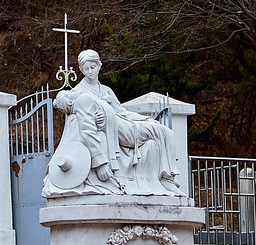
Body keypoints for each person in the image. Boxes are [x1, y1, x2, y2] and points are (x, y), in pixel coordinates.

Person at [49, 49, 181, 195]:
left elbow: (122, 112)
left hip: (126, 123)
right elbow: (84, 125)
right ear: (81, 70)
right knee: (163, 132)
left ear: (99, 65)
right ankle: (168, 179)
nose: (90, 71)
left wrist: (144, 119)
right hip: (120, 130)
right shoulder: (80, 95)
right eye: (86, 69)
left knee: (163, 130)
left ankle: (167, 178)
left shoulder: (107, 90)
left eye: (93, 67)